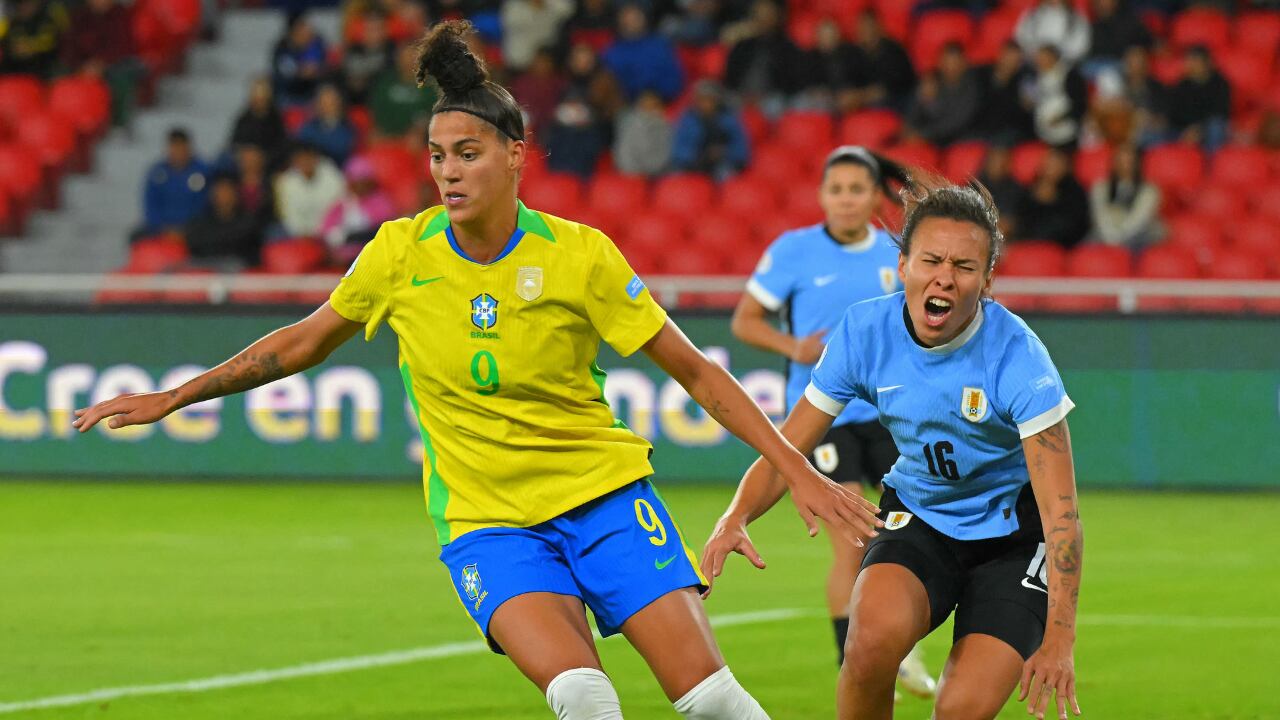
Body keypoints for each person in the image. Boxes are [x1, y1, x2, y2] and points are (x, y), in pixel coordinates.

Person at [73, 20, 881, 720]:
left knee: (709, 700)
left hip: (604, 499)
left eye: (468, 153)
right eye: (437, 156)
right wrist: (177, 395)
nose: (449, 172)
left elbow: (698, 374)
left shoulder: (579, 255)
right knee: (585, 698)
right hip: (488, 524)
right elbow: (300, 344)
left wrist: (795, 470)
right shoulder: (400, 253)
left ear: (515, 155)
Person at [705, 179, 1084, 720]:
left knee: (961, 710)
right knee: (867, 645)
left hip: (1012, 542)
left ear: (987, 281)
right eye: (931, 260)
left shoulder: (1019, 357)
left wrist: (1060, 640)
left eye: (965, 266)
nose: (945, 278)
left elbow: (1062, 515)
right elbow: (788, 447)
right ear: (903, 265)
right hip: (920, 517)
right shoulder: (865, 332)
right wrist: (737, 514)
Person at [730, 145, 935, 699]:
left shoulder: (896, 254)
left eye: (857, 189)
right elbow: (745, 321)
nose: (846, 200)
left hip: (888, 413)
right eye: (836, 190)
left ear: (873, 198)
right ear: (822, 196)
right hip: (824, 415)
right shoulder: (793, 251)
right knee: (851, 540)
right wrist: (791, 346)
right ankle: (859, 667)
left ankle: (900, 645)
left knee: (910, 531)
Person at [318, 154, 396, 264]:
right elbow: (325, 230)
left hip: (371, 252)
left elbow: (385, 230)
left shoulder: (381, 201)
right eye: (357, 182)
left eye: (364, 182)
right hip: (344, 254)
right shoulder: (342, 203)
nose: (360, 186)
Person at [136, 128, 210, 241]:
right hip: (161, 230)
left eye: (182, 147)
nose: (178, 152)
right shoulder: (157, 173)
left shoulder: (202, 171)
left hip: (193, 229)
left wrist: (185, 230)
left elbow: (205, 204)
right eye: (175, 147)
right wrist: (163, 229)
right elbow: (150, 205)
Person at [600, 3, 683, 102]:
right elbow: (613, 87)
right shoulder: (611, 53)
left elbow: (674, 77)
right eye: (626, 17)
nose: (631, 21)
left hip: (667, 102)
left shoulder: (661, 44)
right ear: (619, 20)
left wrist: (656, 96)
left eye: (635, 17)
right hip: (630, 105)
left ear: (644, 18)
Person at [670, 79, 750, 180]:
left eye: (710, 99)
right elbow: (678, 151)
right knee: (676, 176)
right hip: (693, 165)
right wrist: (701, 155)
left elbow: (741, 151)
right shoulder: (687, 121)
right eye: (702, 99)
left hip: (722, 165)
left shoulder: (729, 121)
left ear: (717, 101)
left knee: (728, 177)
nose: (706, 104)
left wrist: (723, 152)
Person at [904, 43, 981, 147]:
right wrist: (908, 126)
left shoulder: (971, 86)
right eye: (946, 63)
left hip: (956, 140)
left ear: (964, 64)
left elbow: (955, 122)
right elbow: (913, 109)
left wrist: (923, 135)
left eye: (955, 63)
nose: (950, 68)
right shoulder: (932, 80)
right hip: (923, 136)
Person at [184, 172, 263, 269]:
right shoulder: (199, 221)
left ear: (236, 194)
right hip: (204, 265)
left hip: (236, 269)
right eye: (219, 190)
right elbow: (194, 246)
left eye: (227, 190)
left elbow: (250, 253)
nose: (223, 195)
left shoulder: (248, 222)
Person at [1089, 144, 1162, 250]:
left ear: (1137, 163)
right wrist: (1111, 239)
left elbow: (1138, 221)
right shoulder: (1100, 186)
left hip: (1138, 238)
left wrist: (1117, 240)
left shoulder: (1149, 190)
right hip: (1105, 236)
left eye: (1129, 161)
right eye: (1120, 161)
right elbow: (1100, 215)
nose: (1124, 165)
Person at [1017, 147, 1090, 249]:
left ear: (1066, 167)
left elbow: (1075, 226)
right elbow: (1021, 223)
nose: (1050, 167)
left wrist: (1052, 200)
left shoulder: (1075, 192)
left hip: (1065, 248)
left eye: (1057, 163)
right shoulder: (1029, 190)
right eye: (1048, 162)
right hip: (1029, 246)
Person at [272, 141, 345, 239]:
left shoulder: (332, 176)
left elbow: (338, 206)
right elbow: (288, 214)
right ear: (295, 161)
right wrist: (301, 232)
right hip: (299, 232)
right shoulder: (286, 182)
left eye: (309, 158)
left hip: (328, 229)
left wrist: (321, 231)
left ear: (316, 158)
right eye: (301, 159)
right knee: (276, 233)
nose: (306, 162)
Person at [1015, 0, 1090, 67]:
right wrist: (1038, 54)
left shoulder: (1076, 18)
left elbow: (1080, 48)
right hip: (1034, 64)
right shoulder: (1032, 15)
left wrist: (1055, 57)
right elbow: (1022, 38)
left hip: (1064, 68)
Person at [297, 83, 357, 167]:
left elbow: (341, 149)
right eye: (323, 102)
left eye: (330, 102)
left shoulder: (348, 129)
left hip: (337, 169)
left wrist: (317, 147)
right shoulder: (308, 127)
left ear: (339, 104)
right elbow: (301, 148)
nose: (326, 106)